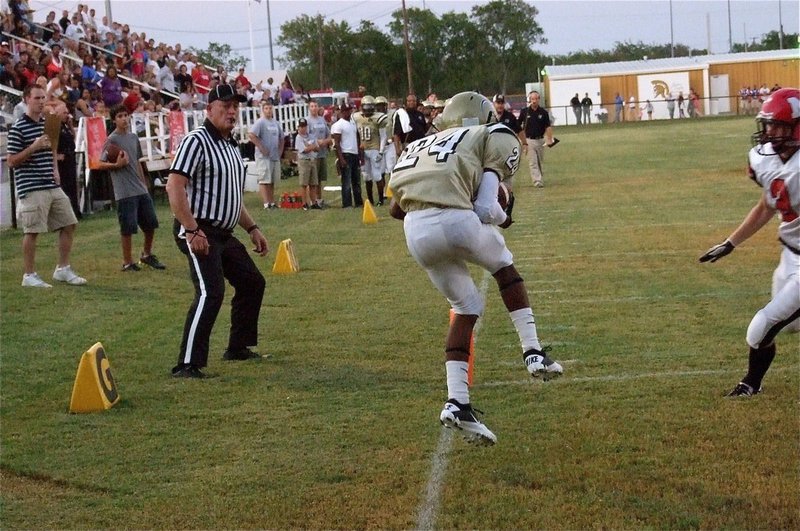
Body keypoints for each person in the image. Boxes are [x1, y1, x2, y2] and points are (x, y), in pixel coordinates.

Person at [388, 92, 564, 446]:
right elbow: (486, 209)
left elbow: (395, 209)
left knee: (465, 307)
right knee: (504, 266)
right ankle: (533, 353)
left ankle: (457, 403)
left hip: (416, 232)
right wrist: (505, 214)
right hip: (456, 220)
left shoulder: (418, 145)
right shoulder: (491, 133)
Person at [699, 88, 799, 398]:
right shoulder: (767, 161)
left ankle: (750, 384)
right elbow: (768, 205)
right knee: (790, 326)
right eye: (768, 125)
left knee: (761, 326)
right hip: (790, 256)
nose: (769, 133)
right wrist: (731, 243)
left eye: (778, 126)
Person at [166, 84, 269, 379]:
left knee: (252, 283)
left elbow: (230, 197)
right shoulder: (196, 141)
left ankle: (237, 347)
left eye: (235, 106)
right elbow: (175, 186)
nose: (231, 111)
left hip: (223, 232)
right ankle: (187, 363)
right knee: (211, 291)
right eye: (224, 106)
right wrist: (192, 229)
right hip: (199, 228)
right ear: (208, 109)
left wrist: (252, 228)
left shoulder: (230, 145)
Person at [7, 85, 87, 288]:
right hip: (31, 185)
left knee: (69, 222)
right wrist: (32, 147)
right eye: (36, 98)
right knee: (32, 230)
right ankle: (29, 274)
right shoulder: (18, 128)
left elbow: (52, 147)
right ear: (26, 99)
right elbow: (11, 161)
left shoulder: (48, 123)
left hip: (50, 182)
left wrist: (55, 169)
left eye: (43, 97)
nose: (41, 101)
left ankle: (62, 268)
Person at [95, 105, 166, 272]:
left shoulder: (133, 138)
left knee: (150, 224)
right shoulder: (111, 140)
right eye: (120, 116)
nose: (124, 119)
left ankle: (146, 255)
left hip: (139, 188)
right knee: (127, 227)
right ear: (114, 120)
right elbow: (99, 163)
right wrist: (116, 165)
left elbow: (138, 162)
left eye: (126, 115)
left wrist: (143, 183)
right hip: (124, 190)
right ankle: (127, 262)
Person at [248, 101, 284, 210]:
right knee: (264, 179)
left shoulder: (275, 123)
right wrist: (261, 147)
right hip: (263, 157)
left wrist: (280, 151)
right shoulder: (260, 122)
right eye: (266, 108)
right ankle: (266, 203)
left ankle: (272, 202)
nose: (269, 111)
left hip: (274, 156)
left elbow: (281, 138)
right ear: (263, 110)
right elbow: (251, 135)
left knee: (272, 180)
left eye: (270, 108)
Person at [49, 99, 81, 219]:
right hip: (61, 161)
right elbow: (51, 144)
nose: (67, 115)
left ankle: (75, 210)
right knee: (65, 187)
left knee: (72, 186)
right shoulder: (54, 126)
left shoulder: (65, 126)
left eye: (67, 113)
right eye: (64, 113)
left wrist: (71, 126)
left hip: (69, 158)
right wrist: (56, 156)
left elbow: (73, 139)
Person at [353, 95, 387, 205]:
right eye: (366, 106)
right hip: (363, 150)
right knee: (366, 176)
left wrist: (381, 151)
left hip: (374, 149)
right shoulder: (356, 117)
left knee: (377, 175)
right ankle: (370, 200)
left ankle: (381, 200)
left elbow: (383, 136)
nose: (368, 109)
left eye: (370, 106)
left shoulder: (379, 117)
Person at [517, 90, 555, 188]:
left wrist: (550, 139)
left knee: (539, 161)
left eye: (535, 99)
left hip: (541, 140)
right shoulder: (525, 112)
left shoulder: (543, 112)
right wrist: (522, 140)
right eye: (532, 99)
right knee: (532, 162)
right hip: (529, 140)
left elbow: (548, 127)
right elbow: (518, 125)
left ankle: (540, 177)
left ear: (538, 99)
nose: (534, 101)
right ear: (529, 100)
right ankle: (537, 181)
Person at [331, 102, 363, 208]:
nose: (348, 112)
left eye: (349, 110)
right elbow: (337, 143)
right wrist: (341, 158)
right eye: (346, 111)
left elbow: (357, 139)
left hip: (354, 153)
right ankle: (347, 203)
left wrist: (359, 154)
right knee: (346, 181)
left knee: (356, 180)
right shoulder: (339, 125)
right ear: (342, 112)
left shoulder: (352, 123)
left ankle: (358, 202)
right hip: (346, 153)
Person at [306, 99, 332, 208]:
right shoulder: (307, 121)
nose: (314, 108)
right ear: (309, 108)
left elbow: (329, 135)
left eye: (315, 106)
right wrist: (316, 143)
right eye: (312, 106)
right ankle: (312, 200)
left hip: (322, 153)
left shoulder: (322, 120)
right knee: (312, 179)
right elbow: (305, 137)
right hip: (312, 153)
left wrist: (325, 142)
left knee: (320, 178)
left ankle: (319, 198)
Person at [294, 118, 321, 209]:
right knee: (304, 183)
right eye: (301, 127)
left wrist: (310, 146)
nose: (303, 129)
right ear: (298, 127)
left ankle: (313, 202)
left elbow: (317, 148)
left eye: (304, 126)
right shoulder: (298, 138)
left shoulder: (311, 136)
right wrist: (311, 147)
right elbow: (304, 150)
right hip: (304, 161)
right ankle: (304, 203)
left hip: (312, 160)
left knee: (313, 183)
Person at [393, 93, 426, 158]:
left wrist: (431, 119)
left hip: (421, 144)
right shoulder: (401, 115)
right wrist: (397, 149)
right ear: (406, 102)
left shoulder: (420, 115)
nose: (412, 102)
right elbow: (396, 133)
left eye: (414, 101)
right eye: (409, 101)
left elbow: (424, 130)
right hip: (408, 145)